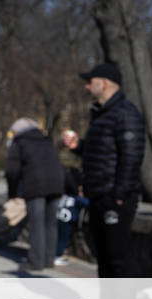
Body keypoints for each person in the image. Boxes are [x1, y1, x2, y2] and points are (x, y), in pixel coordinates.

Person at [63, 63, 146, 278]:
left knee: (117, 258)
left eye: (91, 82)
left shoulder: (125, 114)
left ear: (106, 83)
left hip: (115, 199)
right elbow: (100, 154)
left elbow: (132, 157)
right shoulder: (101, 114)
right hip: (98, 196)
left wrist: (119, 195)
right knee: (103, 257)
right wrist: (78, 147)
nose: (87, 87)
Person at [4, 118, 65, 272]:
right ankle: (48, 259)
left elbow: (12, 170)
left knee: (36, 224)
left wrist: (12, 193)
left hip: (35, 185)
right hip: (56, 184)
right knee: (51, 224)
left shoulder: (19, 142)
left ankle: (36, 262)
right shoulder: (46, 139)